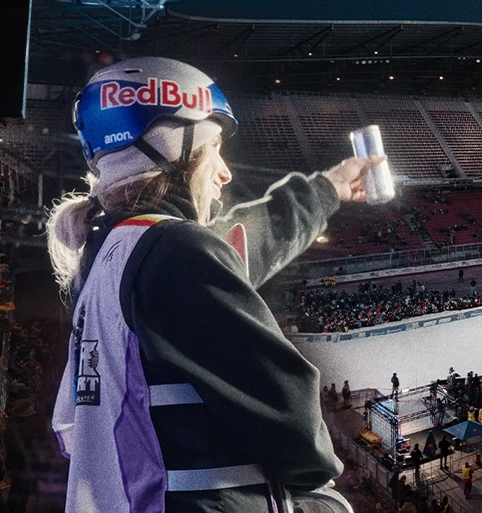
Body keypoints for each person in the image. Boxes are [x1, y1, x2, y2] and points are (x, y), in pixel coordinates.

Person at [49, 58, 376, 512]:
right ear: (172, 149)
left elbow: (243, 241)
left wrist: (328, 188)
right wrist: (321, 495)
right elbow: (290, 412)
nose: (225, 173)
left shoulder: (111, 252)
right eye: (215, 148)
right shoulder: (174, 251)